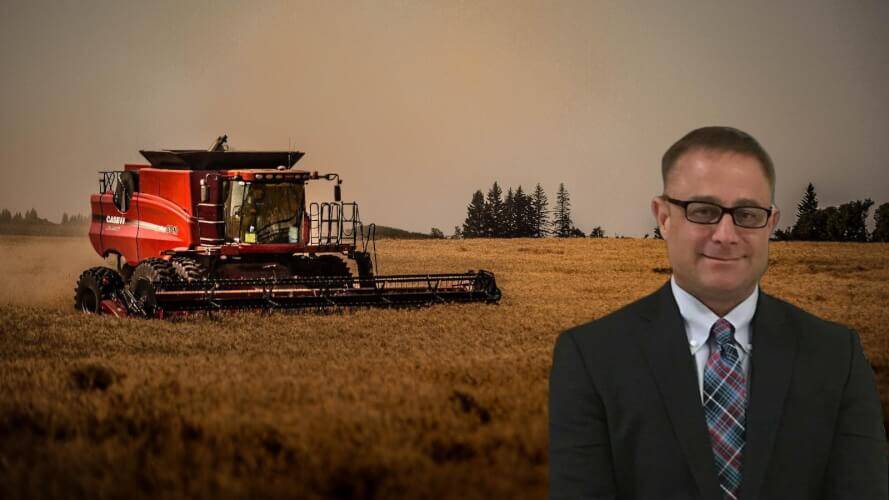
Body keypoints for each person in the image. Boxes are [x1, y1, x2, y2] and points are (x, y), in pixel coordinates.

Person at [548, 126, 887, 499]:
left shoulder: (838, 357)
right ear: (663, 218)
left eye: (747, 213)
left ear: (771, 223)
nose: (726, 234)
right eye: (704, 211)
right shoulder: (591, 358)